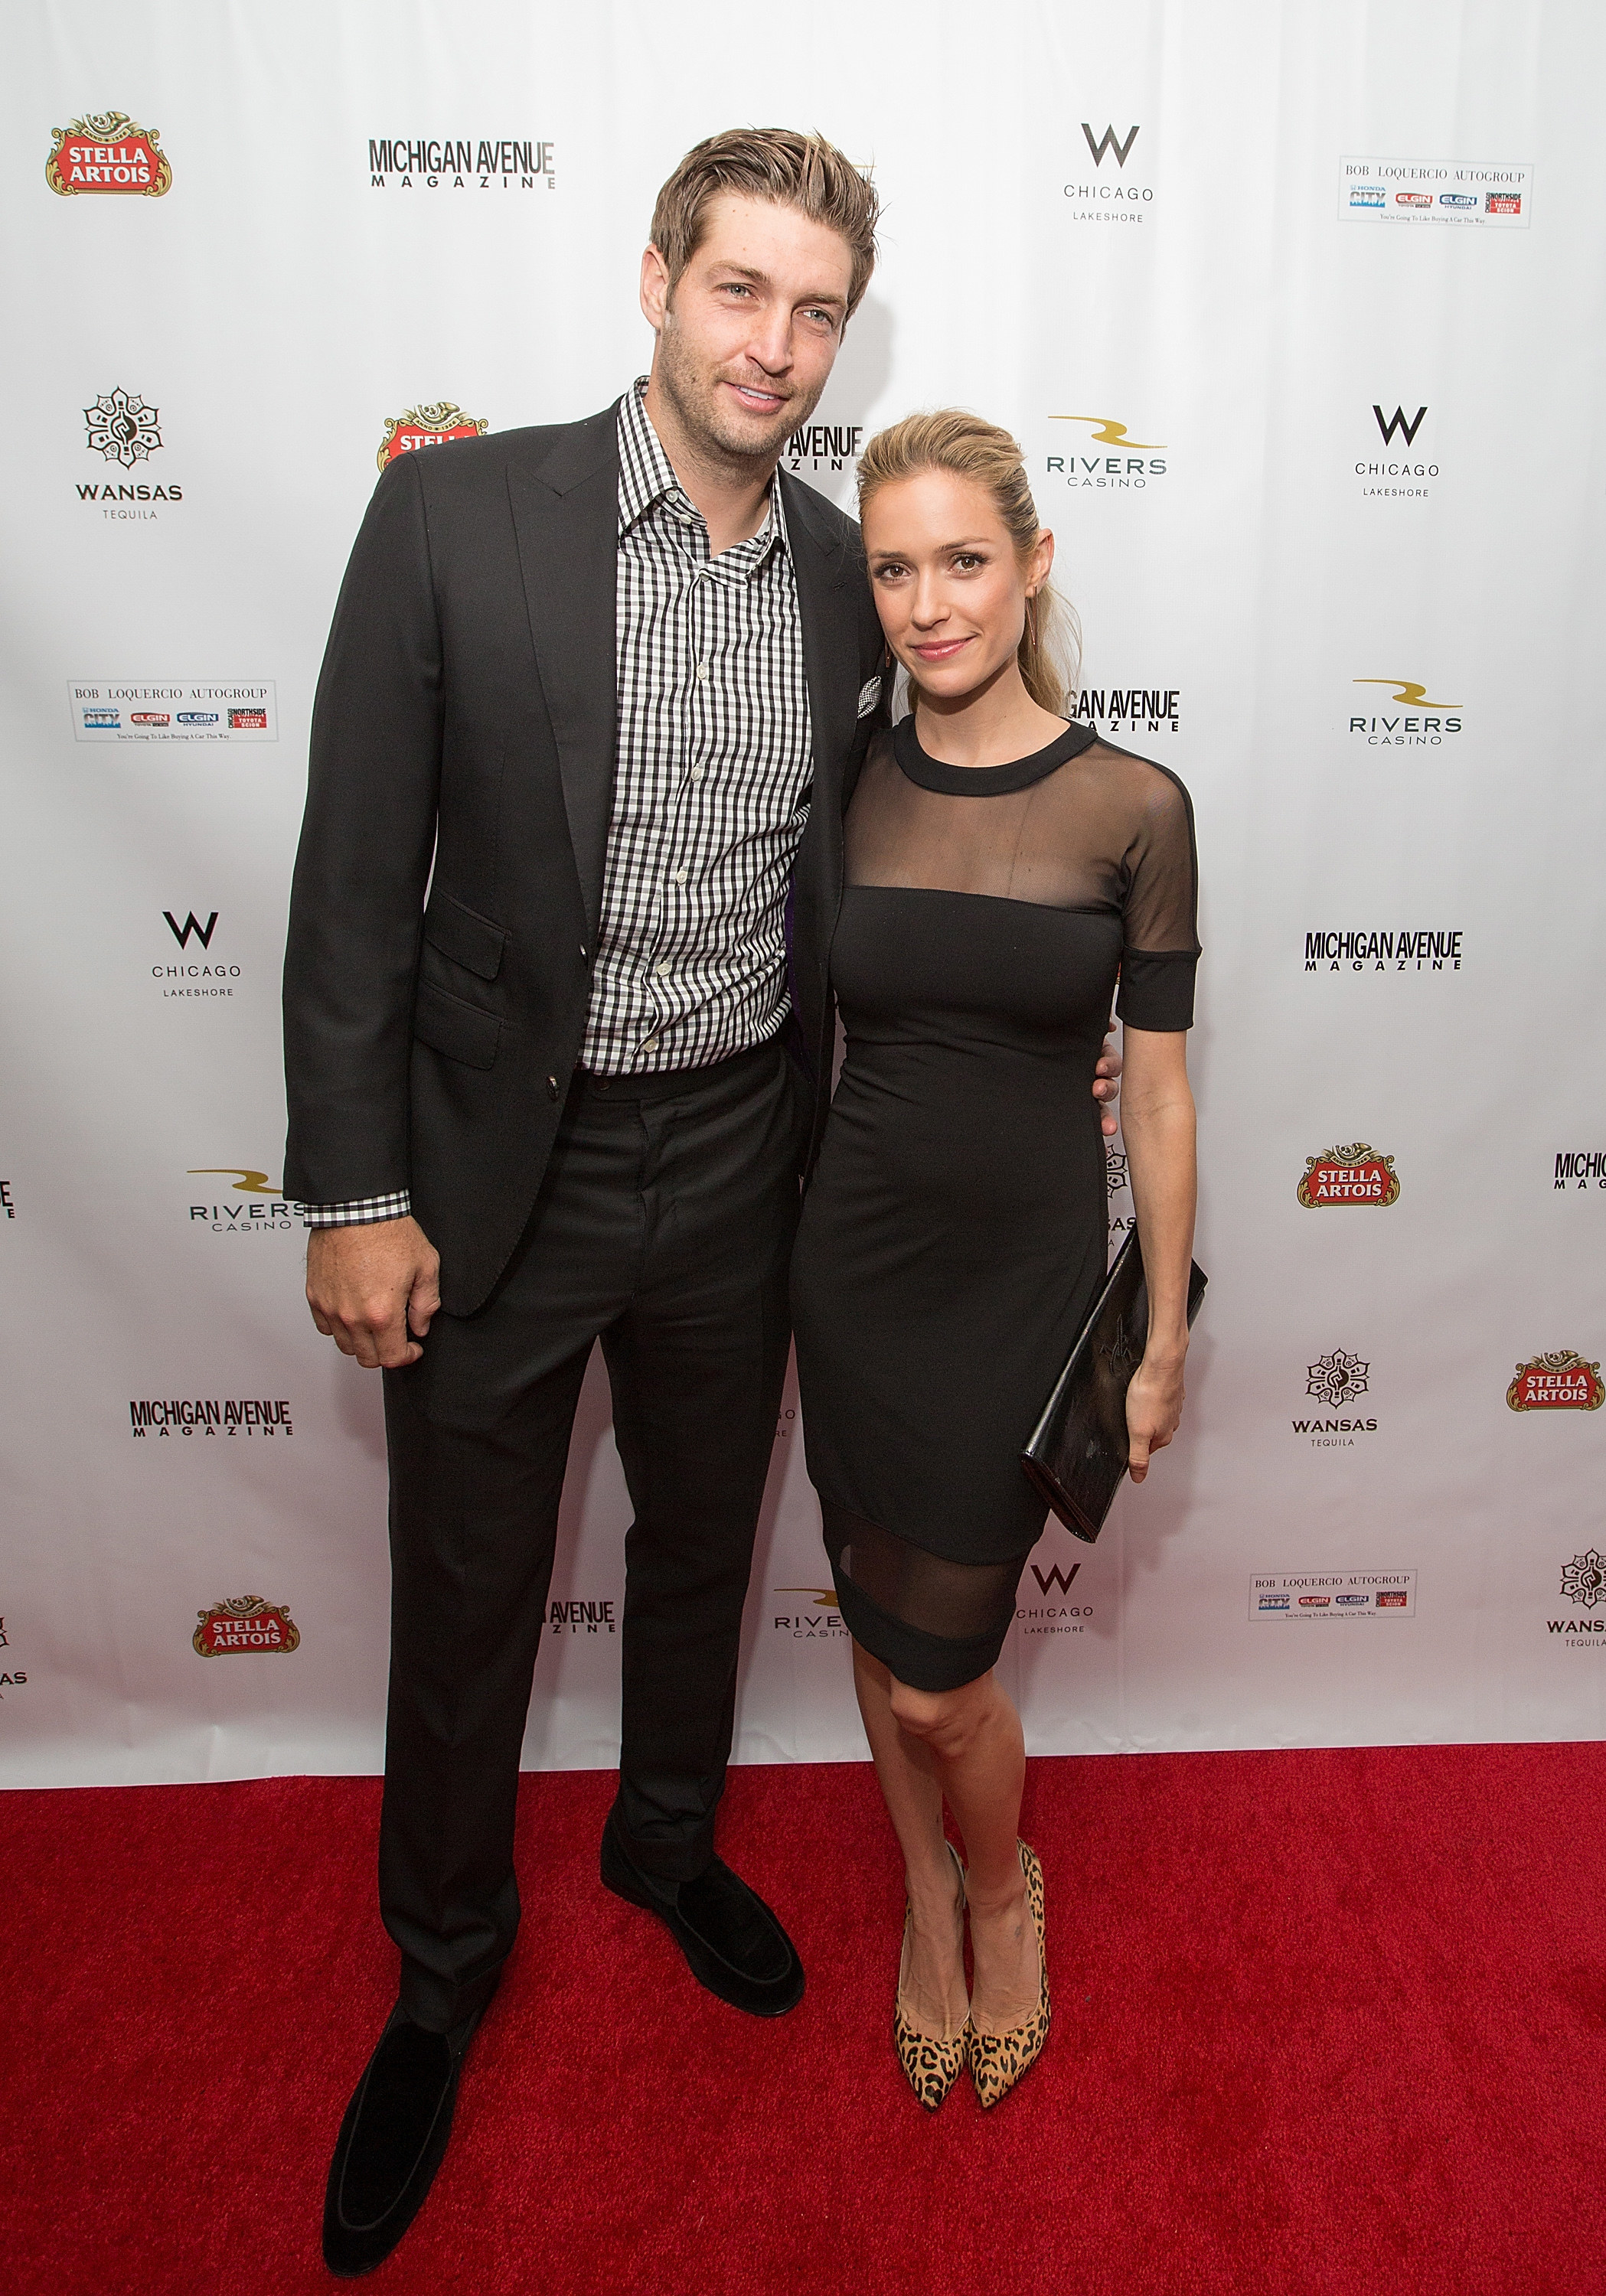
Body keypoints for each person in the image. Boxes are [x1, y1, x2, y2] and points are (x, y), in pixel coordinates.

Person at [285, 132, 1120, 2268]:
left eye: (816, 308)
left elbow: (942, 830)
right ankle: (443, 1973)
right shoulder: (458, 514)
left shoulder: (857, 574)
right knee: (467, 1594)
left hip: (753, 1150)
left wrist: (1067, 1016)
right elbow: (356, 883)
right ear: (653, 282)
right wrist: (356, 1189)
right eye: (740, 291)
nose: (776, 343)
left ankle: (665, 1845)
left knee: (701, 1545)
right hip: (498, 1173)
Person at [790, 411, 1200, 2110]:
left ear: (1032, 564)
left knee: (944, 1680)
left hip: (1023, 1293)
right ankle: (923, 1902)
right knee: (880, 1655)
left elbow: (1159, 1093)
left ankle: (1002, 1886)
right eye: (893, 567)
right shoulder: (846, 779)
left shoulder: (1133, 807)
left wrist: (1158, 1337)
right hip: (853, 1276)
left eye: (963, 560)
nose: (927, 603)